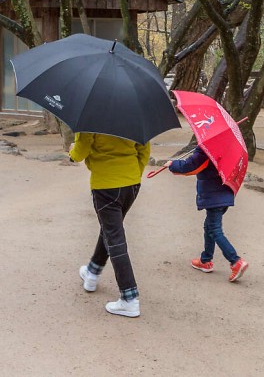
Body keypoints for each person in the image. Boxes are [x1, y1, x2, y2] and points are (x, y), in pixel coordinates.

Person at [69, 132, 150, 318]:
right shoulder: (133, 113)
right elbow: (144, 149)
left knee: (114, 237)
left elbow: (81, 152)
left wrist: (72, 153)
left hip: (105, 185)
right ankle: (92, 273)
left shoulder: (90, 117)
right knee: (110, 229)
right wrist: (133, 173)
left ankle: (129, 298)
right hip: (131, 183)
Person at [165, 145, 249, 282]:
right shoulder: (227, 147)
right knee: (209, 227)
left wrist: (173, 164)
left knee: (215, 230)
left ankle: (235, 261)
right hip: (225, 193)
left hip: (214, 195)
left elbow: (191, 165)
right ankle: (205, 260)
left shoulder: (206, 147)